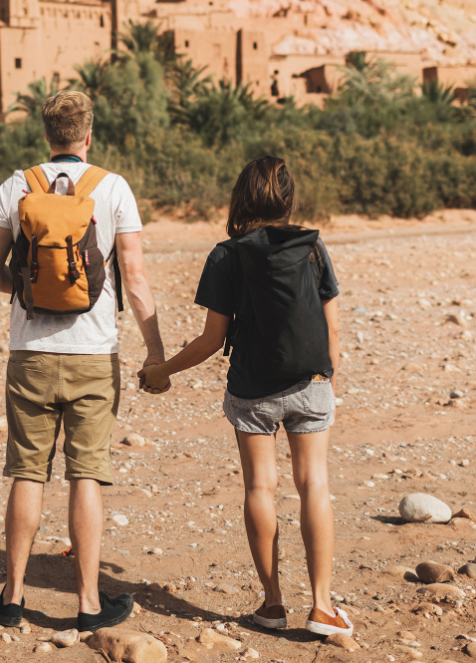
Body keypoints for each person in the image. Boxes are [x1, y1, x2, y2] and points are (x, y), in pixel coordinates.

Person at [137, 156, 352, 638]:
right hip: (311, 382)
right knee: (314, 485)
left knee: (260, 488)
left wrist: (161, 371)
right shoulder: (312, 247)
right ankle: (322, 606)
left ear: (241, 198)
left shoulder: (226, 255)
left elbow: (212, 339)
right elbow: (332, 326)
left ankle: (272, 604)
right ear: (288, 198)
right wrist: (328, 384)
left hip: (252, 391)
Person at [0, 89, 164, 631]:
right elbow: (135, 277)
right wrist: (155, 352)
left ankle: (12, 597)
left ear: (46, 135)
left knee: (27, 472)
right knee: (86, 475)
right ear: (88, 136)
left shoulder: (16, 186)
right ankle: (87, 604)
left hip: (30, 354)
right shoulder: (114, 188)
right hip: (94, 355)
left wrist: (29, 292)